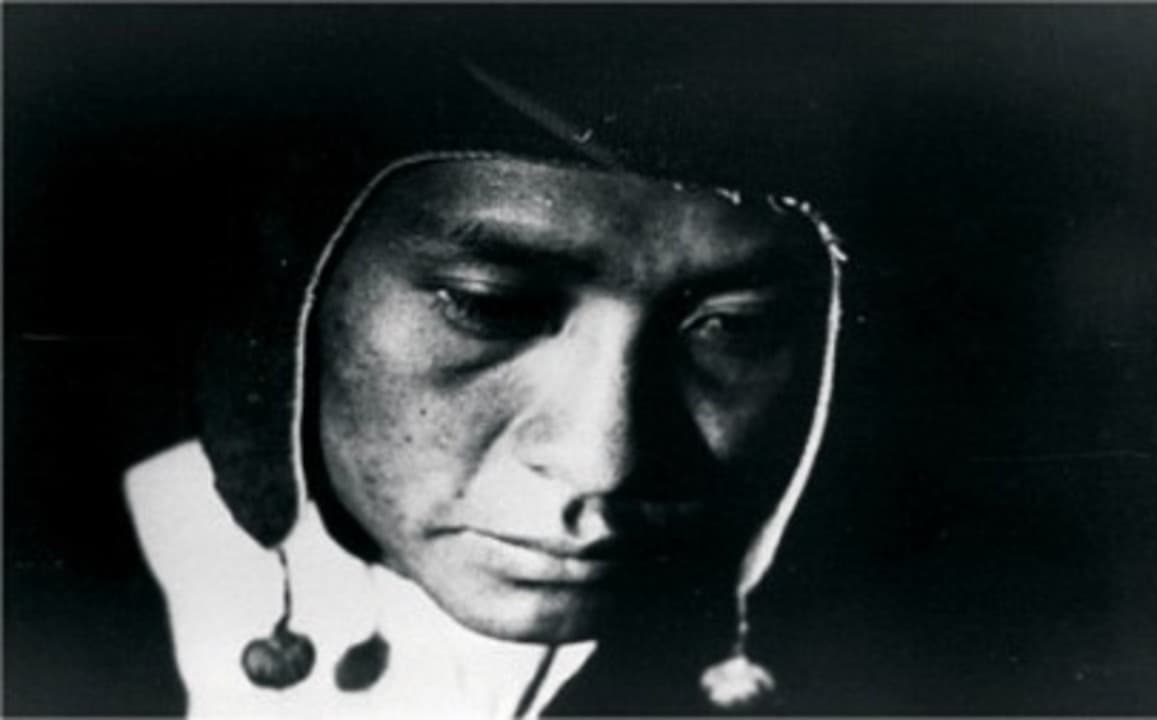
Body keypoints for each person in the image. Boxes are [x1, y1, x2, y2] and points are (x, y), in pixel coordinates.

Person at [122, 50, 848, 717]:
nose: (602, 462)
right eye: (490, 307)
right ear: (299, 296)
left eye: (733, 327)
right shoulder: (99, 592)